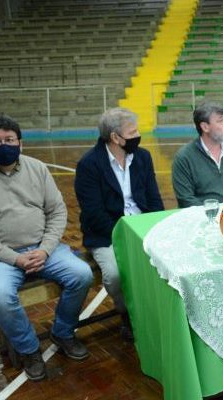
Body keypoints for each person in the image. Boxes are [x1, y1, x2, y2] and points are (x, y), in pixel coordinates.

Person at [0, 115, 93, 381]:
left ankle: (63, 332)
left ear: (20, 142)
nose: (2, 145)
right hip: (0, 257)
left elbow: (57, 212)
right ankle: (30, 349)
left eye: (9, 140)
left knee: (81, 274)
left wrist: (45, 249)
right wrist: (15, 259)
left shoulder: (38, 168)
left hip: (44, 249)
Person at [75, 107, 164, 340]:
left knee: (166, 261)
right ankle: (126, 313)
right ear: (115, 138)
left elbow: (154, 199)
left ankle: (156, 311)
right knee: (114, 274)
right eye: (132, 131)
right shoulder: (89, 164)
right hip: (107, 233)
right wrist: (124, 236)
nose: (137, 135)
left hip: (142, 227)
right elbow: (94, 213)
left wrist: (155, 228)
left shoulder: (142, 157)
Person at [172, 101, 223, 208]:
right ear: (205, 127)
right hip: (201, 218)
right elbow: (186, 199)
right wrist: (214, 213)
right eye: (220, 121)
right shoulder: (184, 158)